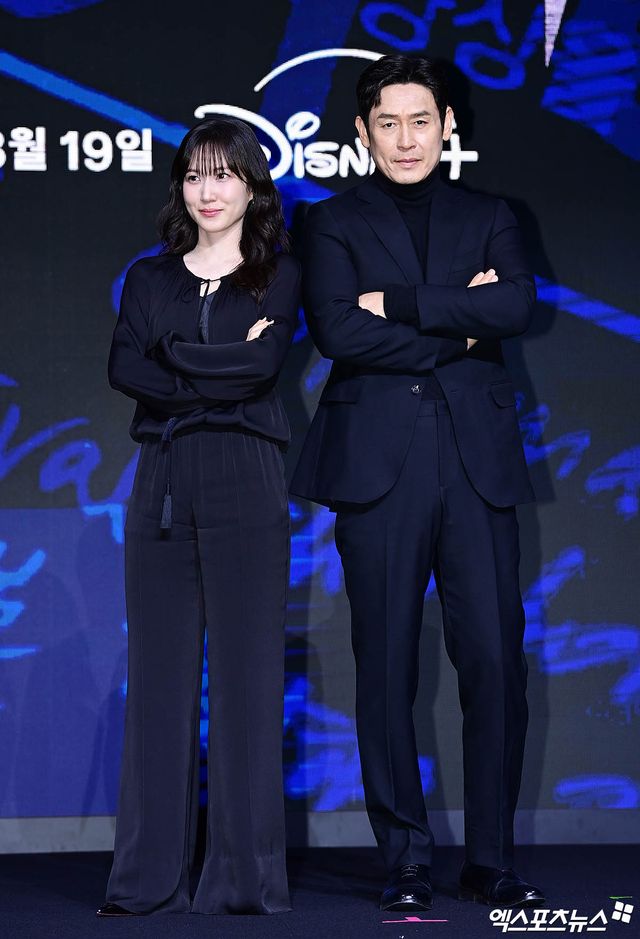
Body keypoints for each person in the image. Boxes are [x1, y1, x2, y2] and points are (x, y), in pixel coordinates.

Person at [291, 54, 544, 912]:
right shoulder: (331, 220)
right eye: (389, 123)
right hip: (378, 458)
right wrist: (460, 321)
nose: (406, 139)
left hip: (477, 458)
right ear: (362, 132)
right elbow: (337, 332)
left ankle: (491, 858)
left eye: (421, 121)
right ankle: (403, 856)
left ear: (447, 127)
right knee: (387, 661)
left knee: (495, 660)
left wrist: (397, 303)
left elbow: (514, 307)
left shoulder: (493, 214)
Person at [99, 117, 300, 916]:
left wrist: (173, 354)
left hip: (247, 475)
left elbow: (261, 367)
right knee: (158, 681)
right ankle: (147, 878)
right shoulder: (150, 277)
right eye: (193, 175)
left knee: (250, 679)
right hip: (163, 475)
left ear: (251, 185)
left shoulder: (278, 272)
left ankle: (243, 879)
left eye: (223, 174)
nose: (207, 191)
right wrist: (209, 367)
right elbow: (123, 365)